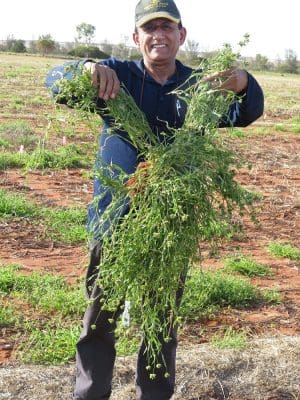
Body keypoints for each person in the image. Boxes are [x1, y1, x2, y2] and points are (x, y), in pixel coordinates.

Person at [46, 1, 264, 399]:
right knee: (99, 320)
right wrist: (84, 68)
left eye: (168, 27)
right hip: (114, 223)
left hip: (169, 228)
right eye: (150, 28)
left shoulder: (202, 88)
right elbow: (55, 81)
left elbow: (249, 112)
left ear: (182, 36)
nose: (158, 35)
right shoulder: (118, 76)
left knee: (160, 322)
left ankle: (154, 394)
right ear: (136, 38)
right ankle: (90, 393)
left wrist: (244, 82)